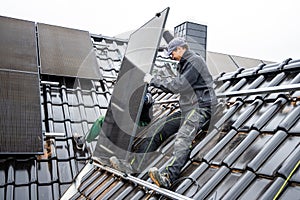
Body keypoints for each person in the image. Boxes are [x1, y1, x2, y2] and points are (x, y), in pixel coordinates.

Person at [141, 37, 217, 188]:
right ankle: (133, 165)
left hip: (201, 108)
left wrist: (154, 81)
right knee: (158, 130)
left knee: (183, 138)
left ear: (181, 48)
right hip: (187, 109)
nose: (171, 57)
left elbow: (179, 85)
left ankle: (168, 177)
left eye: (172, 54)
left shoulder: (195, 61)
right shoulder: (183, 65)